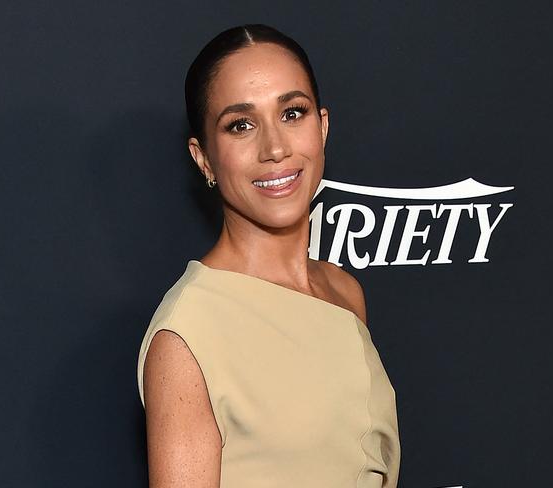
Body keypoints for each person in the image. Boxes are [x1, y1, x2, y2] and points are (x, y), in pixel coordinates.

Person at [137, 24, 400, 488]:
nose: (275, 148)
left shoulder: (344, 292)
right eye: (241, 125)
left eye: (292, 113)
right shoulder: (188, 336)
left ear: (322, 126)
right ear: (204, 159)